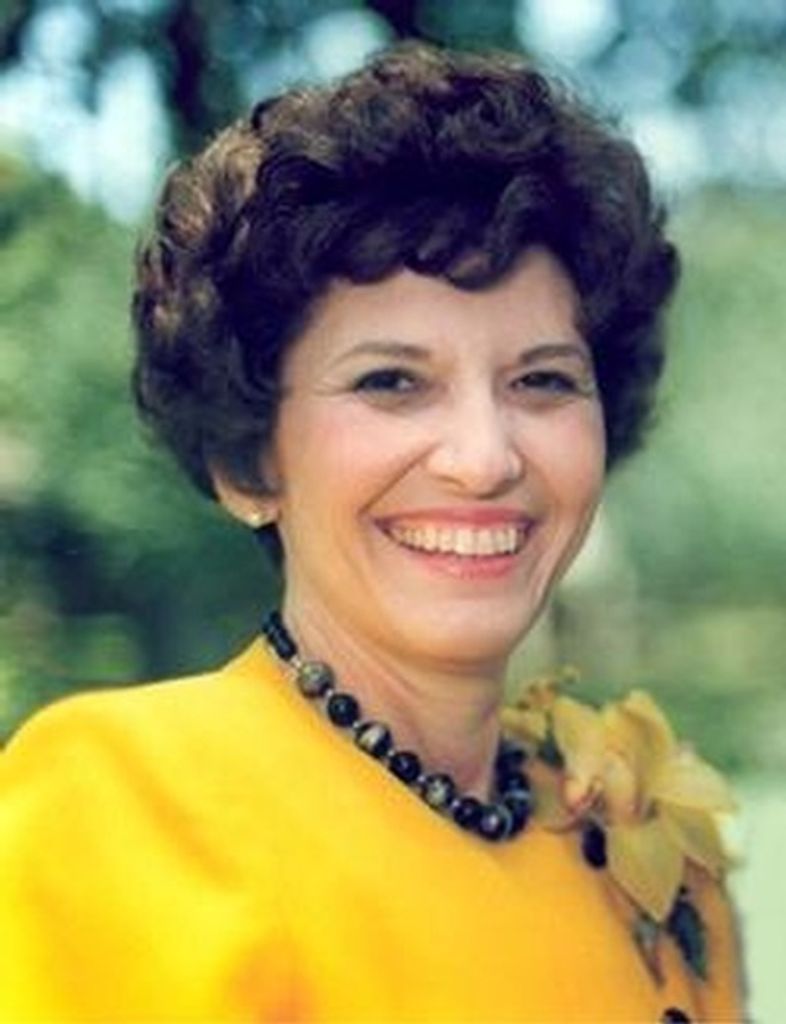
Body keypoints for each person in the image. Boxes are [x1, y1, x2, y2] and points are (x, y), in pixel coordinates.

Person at [0, 42, 743, 1022]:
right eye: (391, 381)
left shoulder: (640, 845)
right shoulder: (126, 807)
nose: (484, 458)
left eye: (543, 380)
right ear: (248, 462)